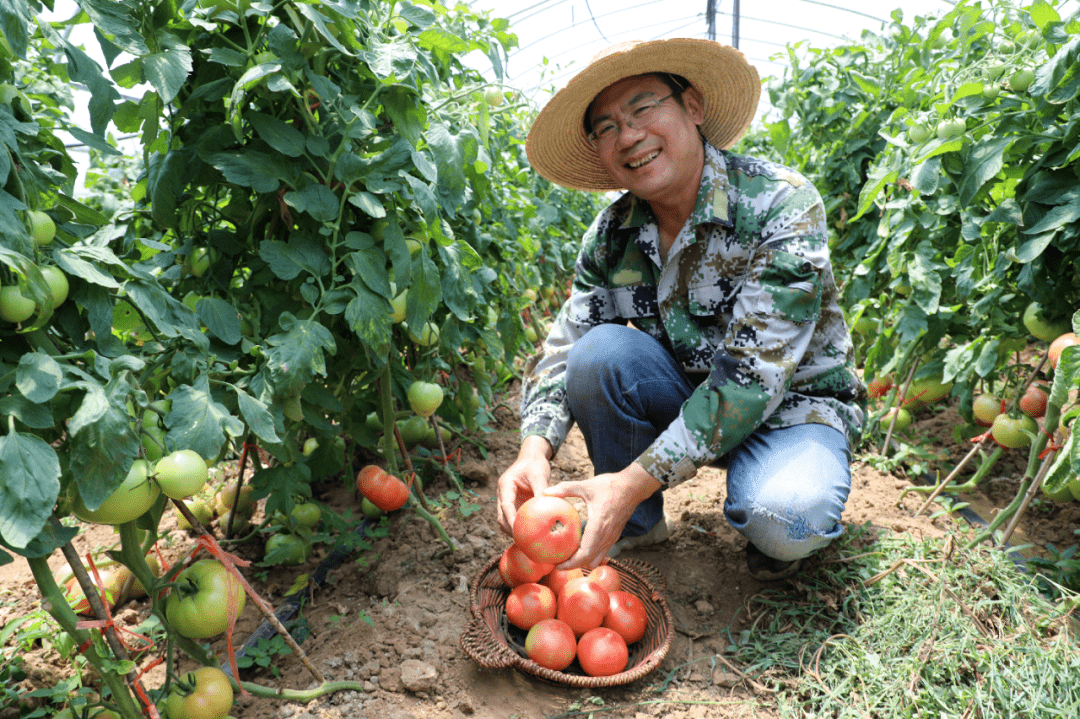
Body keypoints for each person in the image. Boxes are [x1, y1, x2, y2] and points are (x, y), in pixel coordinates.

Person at [496, 38, 865, 581]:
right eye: (604, 127)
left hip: (792, 411)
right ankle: (636, 525)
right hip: (688, 397)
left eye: (643, 108)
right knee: (597, 353)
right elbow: (568, 343)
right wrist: (535, 450)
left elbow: (750, 381)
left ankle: (761, 505)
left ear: (692, 107)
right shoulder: (611, 235)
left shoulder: (779, 204)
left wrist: (629, 478)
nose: (628, 136)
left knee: (786, 519)